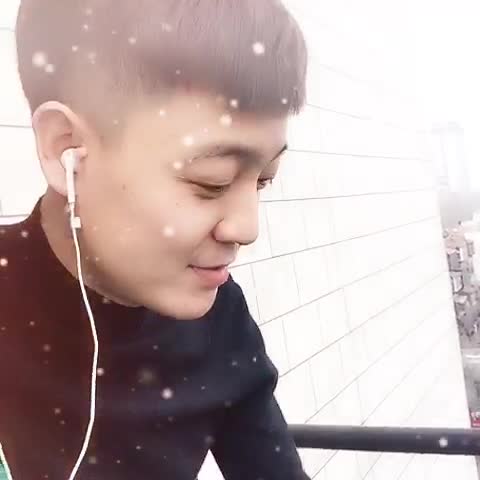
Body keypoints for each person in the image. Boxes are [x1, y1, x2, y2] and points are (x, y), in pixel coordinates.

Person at [0, 0, 309, 478]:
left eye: (263, 180)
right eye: (212, 181)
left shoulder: (220, 321)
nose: (247, 229)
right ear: (66, 150)